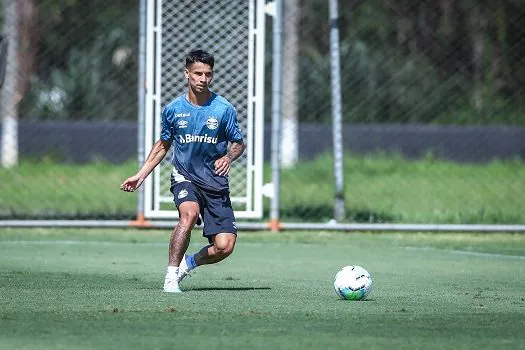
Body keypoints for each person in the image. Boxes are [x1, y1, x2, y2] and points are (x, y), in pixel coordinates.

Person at [120, 49, 246, 293]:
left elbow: (238, 143)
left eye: (208, 74)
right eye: (198, 73)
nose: (203, 79)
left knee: (225, 247)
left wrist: (228, 156)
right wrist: (141, 174)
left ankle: (189, 263)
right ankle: (170, 276)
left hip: (215, 183)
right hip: (185, 176)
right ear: (186, 74)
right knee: (187, 215)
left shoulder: (223, 109)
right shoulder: (173, 110)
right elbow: (163, 145)